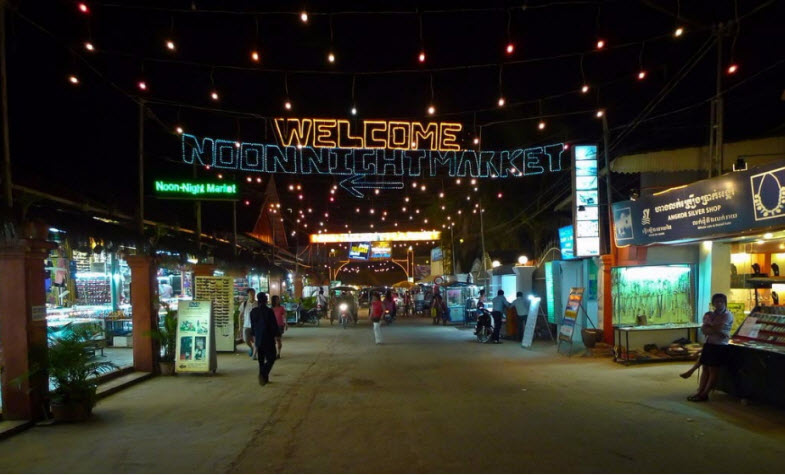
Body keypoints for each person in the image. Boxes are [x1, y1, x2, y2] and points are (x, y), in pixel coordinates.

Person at [685, 293, 734, 402]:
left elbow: (717, 328)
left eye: (721, 301)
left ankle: (705, 394)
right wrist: (714, 328)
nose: (719, 304)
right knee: (705, 368)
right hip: (709, 343)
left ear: (725, 302)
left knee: (713, 370)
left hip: (720, 345)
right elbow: (704, 329)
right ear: (713, 303)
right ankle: (700, 391)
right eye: (717, 302)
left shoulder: (727, 315)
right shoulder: (711, 314)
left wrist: (711, 327)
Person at [250, 292, 281, 386]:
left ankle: (264, 378)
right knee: (271, 357)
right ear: (265, 300)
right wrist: (277, 335)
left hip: (259, 339)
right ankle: (263, 374)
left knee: (261, 359)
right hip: (268, 338)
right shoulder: (269, 311)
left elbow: (253, 326)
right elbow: (274, 325)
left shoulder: (253, 312)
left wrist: (254, 336)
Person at [238, 288, 257, 359]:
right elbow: (240, 315)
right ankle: (251, 348)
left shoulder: (257, 303)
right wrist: (240, 326)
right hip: (246, 325)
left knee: (256, 341)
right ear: (248, 294)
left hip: (255, 326)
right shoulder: (244, 304)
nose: (252, 294)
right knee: (246, 340)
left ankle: (254, 355)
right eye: (250, 293)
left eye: (253, 293)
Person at [271, 295, 288, 359]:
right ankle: (274, 353)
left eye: (278, 299)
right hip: (272, 326)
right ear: (273, 300)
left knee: (278, 339)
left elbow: (284, 316)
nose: (278, 301)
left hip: (280, 325)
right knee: (273, 340)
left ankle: (278, 353)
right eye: (276, 299)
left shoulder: (281, 308)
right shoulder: (271, 309)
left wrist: (286, 324)